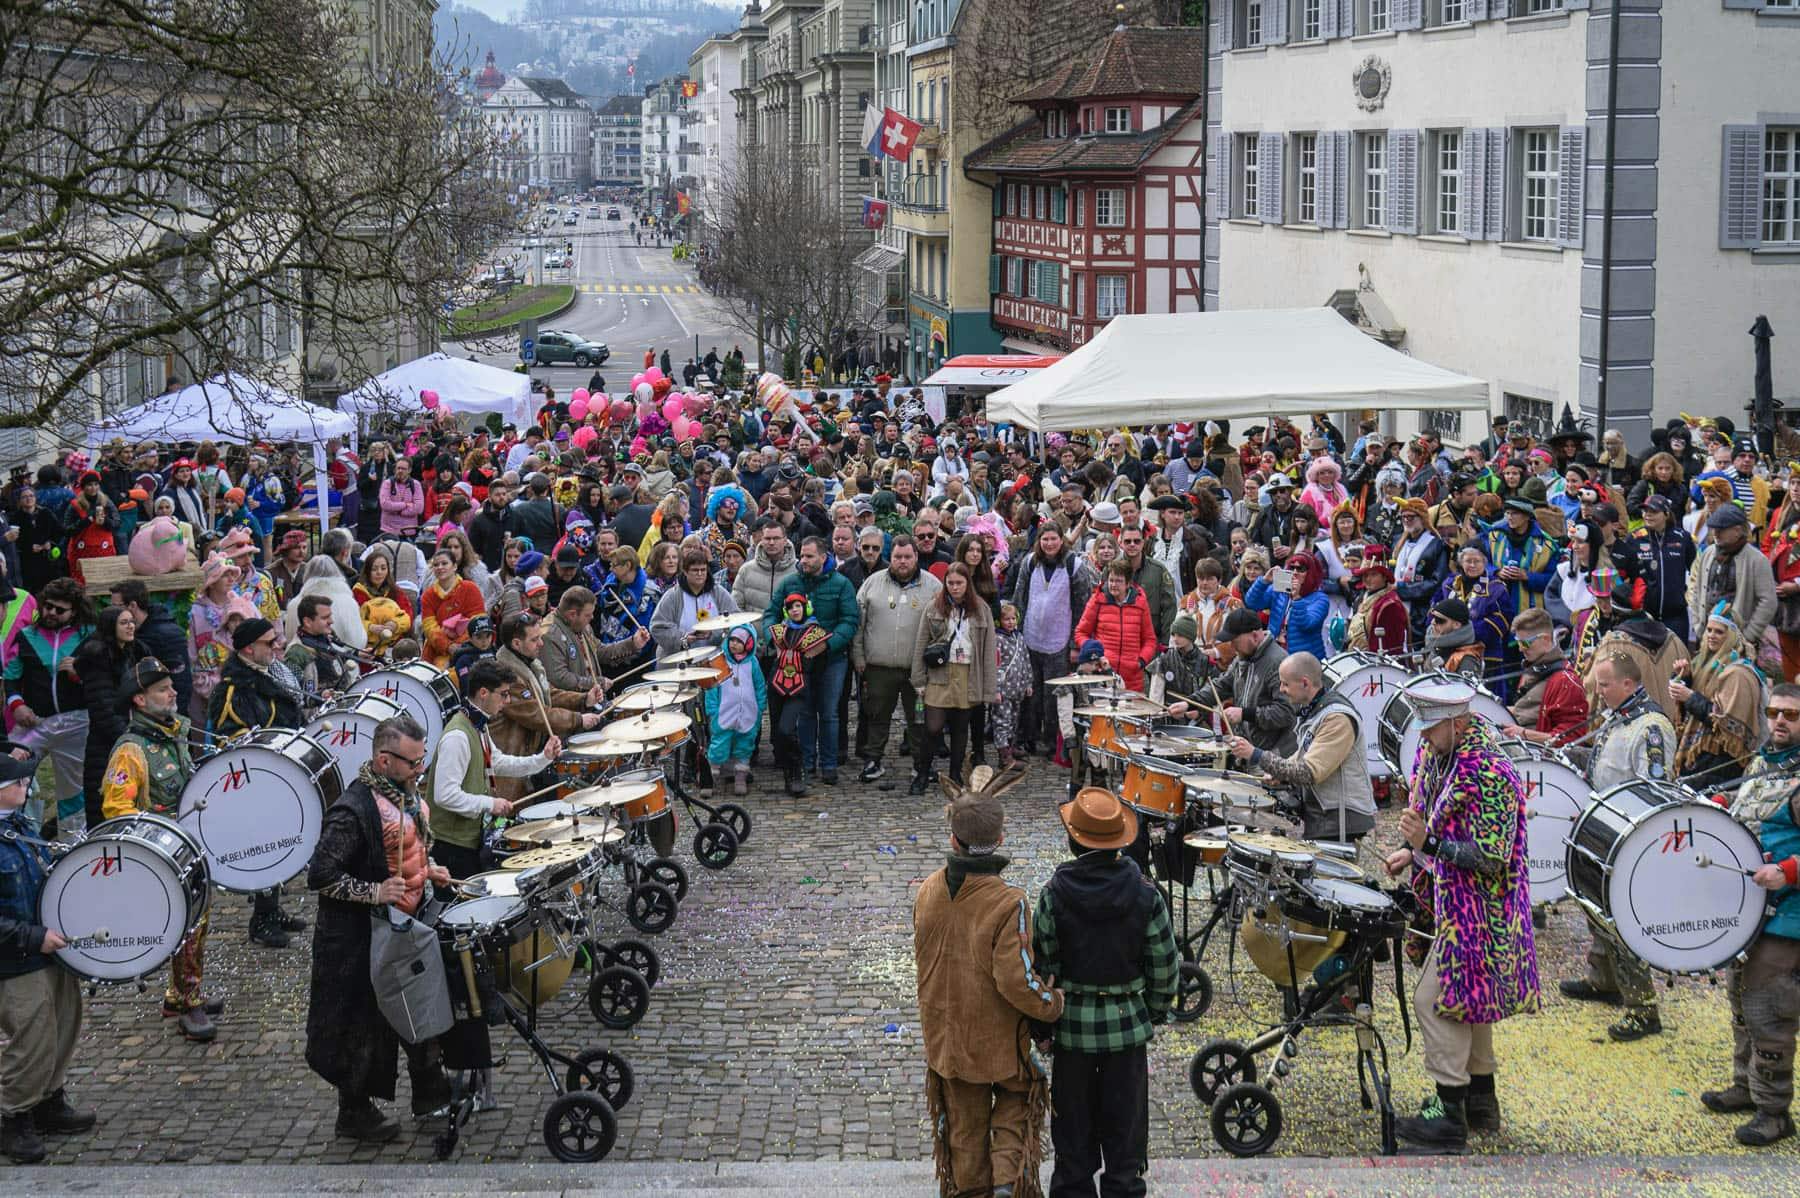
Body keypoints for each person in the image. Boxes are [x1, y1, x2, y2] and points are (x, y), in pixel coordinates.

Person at [1382, 677, 1538, 1151]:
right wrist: (1413, 855)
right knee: (1472, 1000)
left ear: (1457, 722)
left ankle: (1448, 1113)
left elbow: (1492, 856)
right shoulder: (1437, 755)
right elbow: (1432, 818)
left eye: (1430, 729)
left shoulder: (1491, 773)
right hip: (1449, 896)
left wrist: (1426, 844)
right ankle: (1482, 1102)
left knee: (1438, 999)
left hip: (1484, 910)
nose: (1422, 738)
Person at [304, 714, 454, 1142]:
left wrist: (429, 871)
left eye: (421, 760)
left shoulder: (405, 793)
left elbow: (409, 849)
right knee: (360, 1026)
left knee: (417, 1007)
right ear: (384, 761)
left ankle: (431, 1092)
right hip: (359, 938)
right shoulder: (351, 811)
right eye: (411, 763)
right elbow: (320, 874)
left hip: (405, 923)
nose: (418, 770)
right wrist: (373, 891)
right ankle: (353, 1113)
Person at [913, 789, 1063, 1198]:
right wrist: (1052, 1005)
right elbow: (1018, 982)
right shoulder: (1007, 902)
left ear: (952, 839)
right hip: (997, 1043)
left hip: (946, 1042)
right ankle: (1004, 1185)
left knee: (963, 1130)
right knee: (1019, 1100)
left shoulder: (926, 890)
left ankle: (972, 1190)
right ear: (999, 840)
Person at [1032, 788, 1178, 1197]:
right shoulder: (1148, 896)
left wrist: (1044, 1025)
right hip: (1126, 1036)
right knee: (1125, 1152)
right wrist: (1145, 1012)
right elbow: (1165, 970)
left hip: (1072, 1036)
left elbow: (1044, 966)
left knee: (1073, 1150)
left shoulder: (1053, 894)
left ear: (1073, 839)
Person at [99, 658, 222, 1042]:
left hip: (187, 846)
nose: (173, 693)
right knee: (187, 925)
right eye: (163, 690)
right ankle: (189, 1002)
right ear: (139, 699)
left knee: (199, 923)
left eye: (171, 687)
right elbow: (117, 808)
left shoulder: (174, 733)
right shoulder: (132, 751)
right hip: (164, 853)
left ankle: (179, 994)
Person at [1699, 681, 1800, 1148]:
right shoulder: (1764, 762)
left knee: (1768, 1008)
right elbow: (1747, 812)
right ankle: (1747, 1086)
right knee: (1740, 999)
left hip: (1788, 915)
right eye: (1776, 712)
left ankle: (1774, 1111)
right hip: (1749, 908)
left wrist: (1789, 871)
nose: (1781, 721)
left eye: (1792, 715)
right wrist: (1718, 808)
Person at [1563, 652, 1675, 1041]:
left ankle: (1643, 1009)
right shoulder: (1621, 715)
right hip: (1603, 829)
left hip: (1626, 839)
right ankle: (1605, 980)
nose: (1598, 690)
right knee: (1595, 909)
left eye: (1604, 684)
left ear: (1628, 684)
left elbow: (1656, 791)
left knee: (1621, 921)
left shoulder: (1651, 727)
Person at [0, 744, 97, 1164]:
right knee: (32, 1036)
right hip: (16, 958)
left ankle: (47, 1100)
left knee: (64, 1022)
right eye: (15, 780)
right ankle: (13, 1116)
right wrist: (31, 937)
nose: (25, 783)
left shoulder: (19, 823)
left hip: (46, 947)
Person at [208, 616, 309, 947]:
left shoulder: (271, 675)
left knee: (283, 844)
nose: (277, 645)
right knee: (266, 848)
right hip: (256, 781)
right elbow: (230, 738)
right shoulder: (233, 690)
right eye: (270, 642)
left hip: (280, 773)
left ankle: (273, 909)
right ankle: (261, 920)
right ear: (248, 649)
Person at [426, 658, 561, 880]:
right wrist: (491, 804)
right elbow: (444, 795)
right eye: (503, 694)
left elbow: (498, 762)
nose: (507, 701)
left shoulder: (477, 724)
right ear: (483, 693)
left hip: (470, 837)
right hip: (452, 844)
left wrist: (542, 758)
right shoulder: (458, 736)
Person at [1227, 652, 1375, 844]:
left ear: (1305, 683)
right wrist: (1278, 773)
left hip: (1340, 819)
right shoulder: (1314, 709)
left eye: (1285, 684)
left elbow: (1308, 772)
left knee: (1327, 874)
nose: (1281, 689)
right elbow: (1302, 755)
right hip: (1323, 814)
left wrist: (1255, 754)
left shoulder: (1337, 719)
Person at [762, 536, 859, 787]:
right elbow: (770, 614)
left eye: (809, 556)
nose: (803, 560)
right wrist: (775, 639)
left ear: (823, 557)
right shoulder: (790, 582)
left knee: (828, 713)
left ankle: (829, 765)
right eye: (802, 556)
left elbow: (850, 620)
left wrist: (827, 644)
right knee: (804, 712)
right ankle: (806, 762)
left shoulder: (841, 584)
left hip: (831, 659)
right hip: (796, 661)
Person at [3, 578, 90, 834]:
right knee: (10, 776)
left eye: (59, 610)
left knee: (73, 790)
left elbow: (103, 677)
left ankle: (71, 845)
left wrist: (78, 672)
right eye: (47, 606)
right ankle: (15, 838)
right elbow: (11, 678)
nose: (51, 613)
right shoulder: (26, 636)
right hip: (34, 722)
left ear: (74, 611)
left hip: (76, 722)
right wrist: (16, 704)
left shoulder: (88, 637)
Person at [853, 534, 941, 782]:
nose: (902, 562)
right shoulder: (872, 583)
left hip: (918, 669)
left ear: (916, 557)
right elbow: (858, 625)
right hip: (879, 666)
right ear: (890, 557)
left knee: (918, 719)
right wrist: (858, 656)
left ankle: (921, 763)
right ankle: (873, 760)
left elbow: (943, 626)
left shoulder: (933, 586)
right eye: (897, 557)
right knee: (877, 715)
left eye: (907, 557)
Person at [1011, 524, 1098, 765]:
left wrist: (1075, 643)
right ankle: (1028, 737)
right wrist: (1015, 632)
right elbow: (1020, 598)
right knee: (1030, 693)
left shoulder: (1074, 566)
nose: (1049, 544)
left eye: (1053, 539)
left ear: (1062, 540)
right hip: (1030, 636)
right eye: (1045, 539)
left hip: (1059, 641)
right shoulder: (1030, 563)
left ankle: (1051, 742)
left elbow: (1083, 607)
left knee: (1053, 696)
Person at [910, 563, 997, 792]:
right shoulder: (933, 607)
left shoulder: (981, 609)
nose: (955, 588)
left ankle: (955, 775)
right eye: (950, 583)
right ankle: (922, 773)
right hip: (940, 673)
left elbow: (988, 651)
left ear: (968, 584)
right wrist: (918, 680)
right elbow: (921, 644)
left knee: (960, 728)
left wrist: (989, 687)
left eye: (959, 583)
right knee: (932, 727)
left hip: (967, 672)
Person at [1670, 607, 1768, 789]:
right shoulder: (1702, 661)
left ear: (1731, 635)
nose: (1711, 636)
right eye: (1709, 630)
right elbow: (1695, 704)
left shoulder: (1739, 673)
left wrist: (1690, 697)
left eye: (1719, 631)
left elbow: (1727, 724)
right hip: (1699, 756)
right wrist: (1684, 677)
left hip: (1719, 763)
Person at [1180, 608, 1297, 754]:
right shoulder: (1242, 657)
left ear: (1254, 636)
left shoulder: (1278, 663)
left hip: (1269, 754)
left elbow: (1286, 712)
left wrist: (1244, 714)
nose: (1231, 647)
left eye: (1234, 641)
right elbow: (1222, 685)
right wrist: (1189, 703)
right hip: (1245, 749)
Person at [73, 605, 145, 832]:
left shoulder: (128, 652)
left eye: (132, 621)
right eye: (124, 622)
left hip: (123, 738)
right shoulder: (99, 658)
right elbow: (103, 709)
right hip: (107, 746)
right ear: (109, 627)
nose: (130, 626)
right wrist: (130, 739)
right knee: (104, 806)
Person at [1501, 608, 1590, 746]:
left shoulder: (1565, 681)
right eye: (1518, 642)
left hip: (1538, 760)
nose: (1520, 649)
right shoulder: (1533, 667)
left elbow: (1572, 739)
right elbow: (1525, 711)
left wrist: (1524, 734)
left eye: (1525, 643)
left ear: (1546, 639)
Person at [1074, 561, 1156, 695]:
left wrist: (1140, 661)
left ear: (1128, 583)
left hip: (1132, 677)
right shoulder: (1097, 600)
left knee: (1129, 715)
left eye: (1118, 581)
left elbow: (1150, 640)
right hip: (1103, 674)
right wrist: (1094, 653)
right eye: (1111, 580)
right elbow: (1081, 633)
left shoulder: (1140, 604)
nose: (1113, 584)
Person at [704, 625, 765, 797]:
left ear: (748, 643)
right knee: (718, 746)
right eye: (732, 640)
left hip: (748, 714)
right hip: (723, 713)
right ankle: (710, 778)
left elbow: (760, 687)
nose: (734, 644)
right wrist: (712, 710)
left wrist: (759, 709)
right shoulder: (721, 662)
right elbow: (712, 687)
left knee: (744, 746)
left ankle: (740, 777)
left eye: (739, 641)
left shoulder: (753, 664)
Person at [283, 594, 359, 698]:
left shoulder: (327, 635)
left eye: (330, 616)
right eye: (325, 618)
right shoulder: (296, 653)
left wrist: (358, 654)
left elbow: (337, 659)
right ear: (308, 622)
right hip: (321, 712)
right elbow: (291, 694)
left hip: (344, 702)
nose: (331, 621)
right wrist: (321, 696)